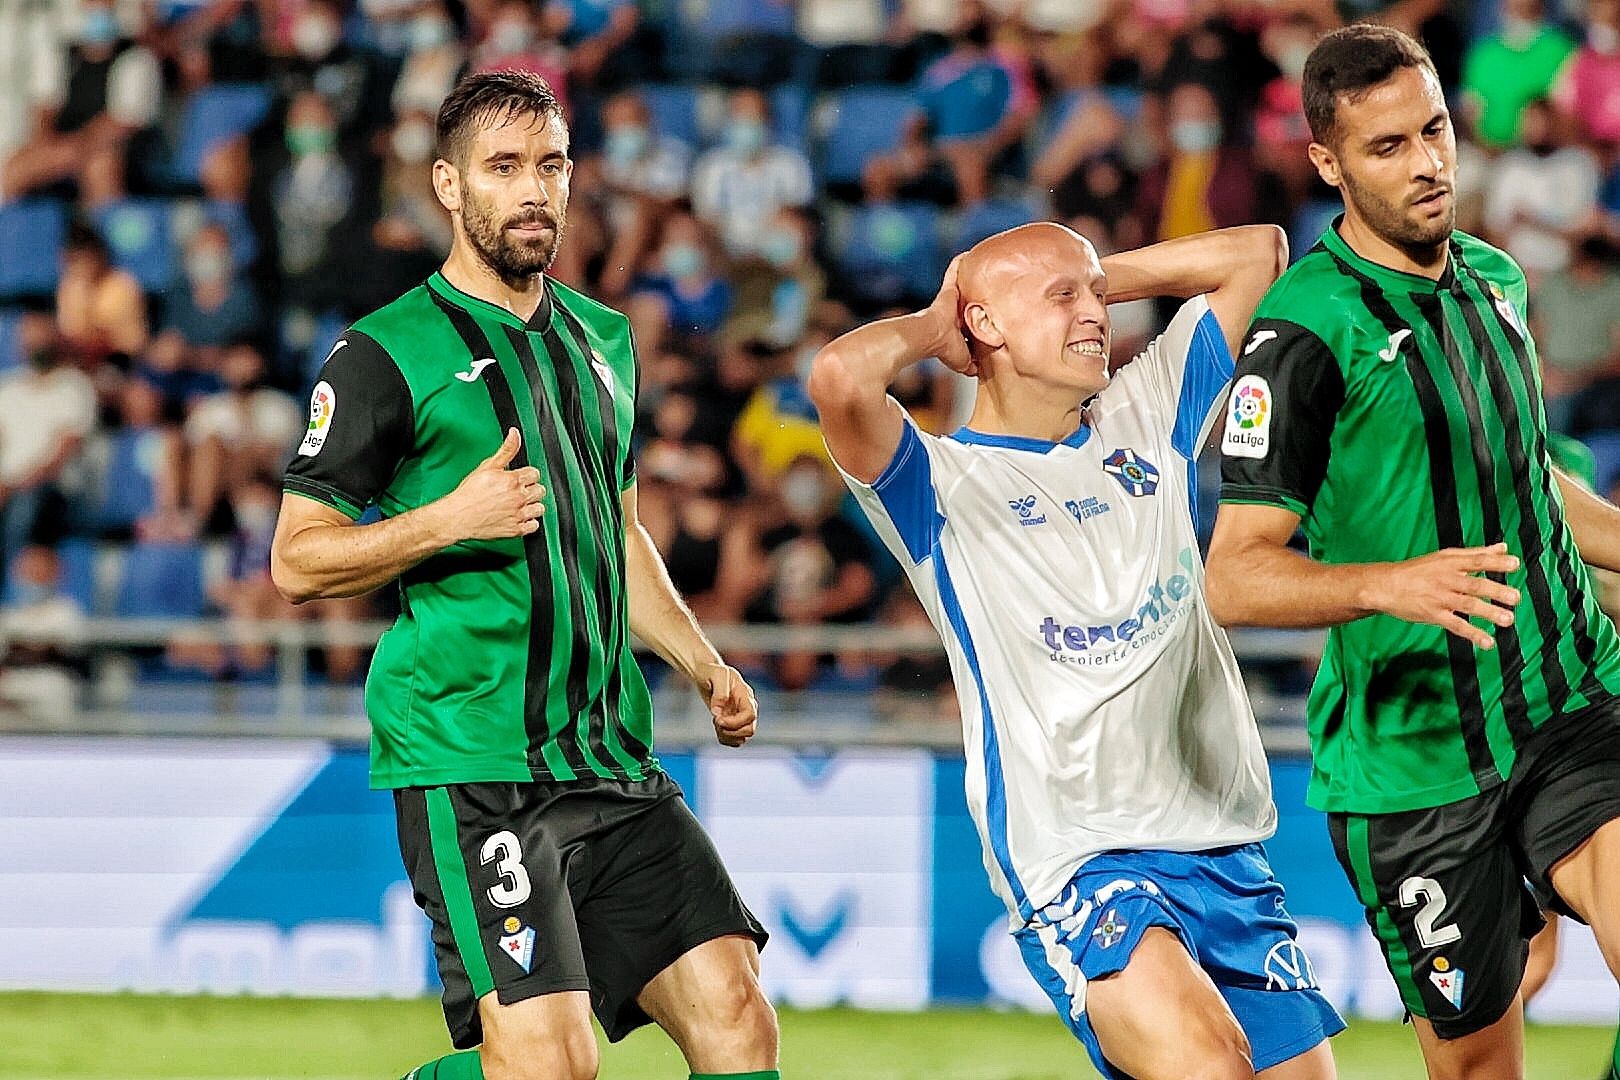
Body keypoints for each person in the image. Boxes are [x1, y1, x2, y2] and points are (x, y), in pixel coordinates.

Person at [270, 71, 778, 1080]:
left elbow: (618, 532)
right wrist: (447, 520)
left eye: (550, 165)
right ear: (450, 188)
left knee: (738, 1018)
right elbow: (297, 558)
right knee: (553, 1069)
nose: (534, 189)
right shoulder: (382, 355)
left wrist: (698, 657)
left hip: (606, 753)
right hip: (475, 761)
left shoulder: (606, 342)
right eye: (504, 168)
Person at [810, 219, 1343, 1080]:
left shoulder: (1149, 411)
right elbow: (839, 376)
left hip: (1222, 846)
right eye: (1061, 296)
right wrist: (938, 320)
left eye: (1095, 294)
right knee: (1211, 1067)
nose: (1094, 311)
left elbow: (1257, 255)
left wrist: (1089, 282)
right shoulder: (938, 485)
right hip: (1080, 859)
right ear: (985, 325)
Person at [1206, 26, 1620, 1080]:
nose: (1428, 161)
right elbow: (1234, 572)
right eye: (1387, 146)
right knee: (1479, 1065)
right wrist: (1388, 583)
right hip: (1410, 763)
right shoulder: (1301, 335)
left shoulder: (1495, 279)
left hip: (1569, 700)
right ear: (1329, 163)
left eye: (1432, 129)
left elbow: (1533, 483)